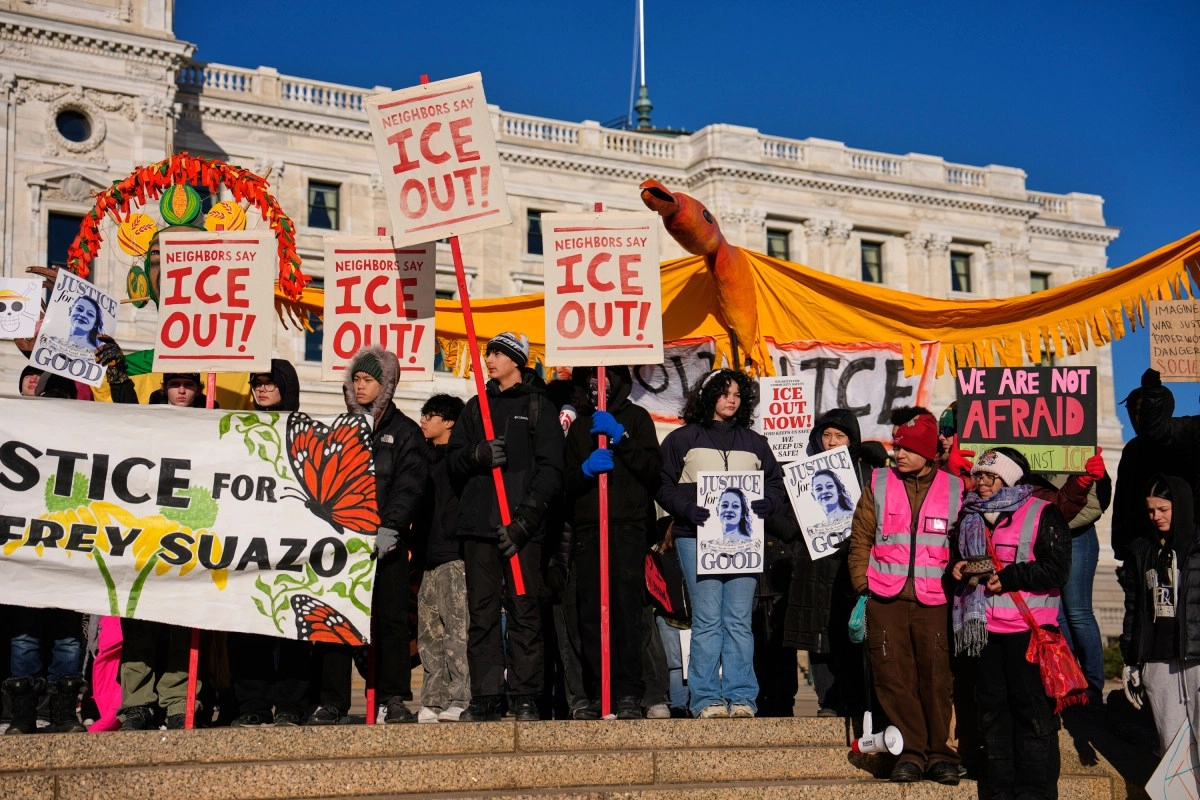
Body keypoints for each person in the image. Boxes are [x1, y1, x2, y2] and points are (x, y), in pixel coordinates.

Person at [656, 368, 786, 719]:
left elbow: (776, 484)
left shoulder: (755, 442)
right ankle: (706, 698)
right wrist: (685, 509)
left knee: (739, 620)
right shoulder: (682, 439)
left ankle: (742, 696)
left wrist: (767, 504)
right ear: (707, 396)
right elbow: (662, 484)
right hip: (694, 538)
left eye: (737, 395)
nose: (731, 400)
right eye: (724, 392)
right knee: (708, 619)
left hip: (743, 542)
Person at [310, 345, 430, 725]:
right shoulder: (338, 427)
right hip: (341, 544)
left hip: (386, 544)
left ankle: (392, 697)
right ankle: (331, 700)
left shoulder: (406, 431)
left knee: (390, 622)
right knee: (334, 621)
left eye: (368, 380)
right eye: (356, 379)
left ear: (386, 384)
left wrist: (391, 526)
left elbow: (409, 486)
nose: (360, 386)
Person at [448, 332, 563, 722]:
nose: (490, 359)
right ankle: (486, 694)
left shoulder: (538, 406)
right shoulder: (474, 407)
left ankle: (526, 694)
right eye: (488, 353)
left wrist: (525, 522)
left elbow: (550, 470)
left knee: (524, 610)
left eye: (497, 353)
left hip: (520, 531)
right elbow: (453, 459)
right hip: (479, 527)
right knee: (481, 614)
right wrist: (475, 454)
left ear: (517, 360)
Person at [950, 447, 1071, 800]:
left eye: (990, 476)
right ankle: (1001, 791)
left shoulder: (1043, 512)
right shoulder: (969, 516)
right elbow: (961, 560)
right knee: (993, 716)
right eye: (978, 476)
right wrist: (956, 567)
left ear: (1011, 478)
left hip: (1028, 633)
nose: (981, 483)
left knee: (1032, 717)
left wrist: (1010, 576)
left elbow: (1058, 569)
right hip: (985, 633)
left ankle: (1034, 793)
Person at [849, 411, 962, 784]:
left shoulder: (955, 488)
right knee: (893, 677)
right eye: (896, 446)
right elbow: (861, 535)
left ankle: (939, 755)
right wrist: (862, 586)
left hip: (936, 599)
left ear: (928, 454)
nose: (897, 453)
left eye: (906, 449)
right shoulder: (879, 482)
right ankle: (909, 753)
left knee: (936, 678)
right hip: (886, 597)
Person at [563, 365, 662, 719]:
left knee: (626, 612)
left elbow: (653, 471)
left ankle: (628, 693)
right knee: (591, 613)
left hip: (627, 528)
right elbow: (565, 487)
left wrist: (622, 439)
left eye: (602, 378)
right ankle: (597, 690)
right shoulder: (579, 427)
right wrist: (585, 472)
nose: (596, 385)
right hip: (590, 530)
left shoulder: (637, 419)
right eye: (590, 379)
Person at [783, 408, 887, 719]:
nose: (831, 442)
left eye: (839, 436)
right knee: (818, 636)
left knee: (851, 634)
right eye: (826, 435)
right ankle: (827, 701)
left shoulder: (867, 471)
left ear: (851, 440)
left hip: (853, 564)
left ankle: (853, 699)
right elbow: (789, 520)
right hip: (815, 564)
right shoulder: (802, 471)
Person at [227, 360, 311, 727]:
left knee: (293, 627)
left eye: (269, 383)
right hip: (246, 544)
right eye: (256, 383)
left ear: (285, 387)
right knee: (246, 628)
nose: (261, 390)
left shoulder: (304, 430)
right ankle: (252, 704)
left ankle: (291, 704)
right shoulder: (236, 428)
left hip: (293, 545)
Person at [1119, 474, 1200, 757]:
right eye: (1150, 510)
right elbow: (1134, 607)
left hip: (1196, 655)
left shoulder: (1197, 546)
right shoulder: (1142, 550)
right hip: (1159, 656)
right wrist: (1131, 659)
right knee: (1172, 749)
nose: (1156, 516)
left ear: (1181, 505)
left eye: (1163, 509)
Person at [415, 393, 471, 723]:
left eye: (430, 414)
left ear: (448, 422)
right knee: (429, 633)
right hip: (427, 558)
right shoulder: (422, 458)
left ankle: (460, 696)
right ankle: (432, 699)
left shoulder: (460, 459)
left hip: (454, 556)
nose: (423, 420)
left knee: (456, 631)